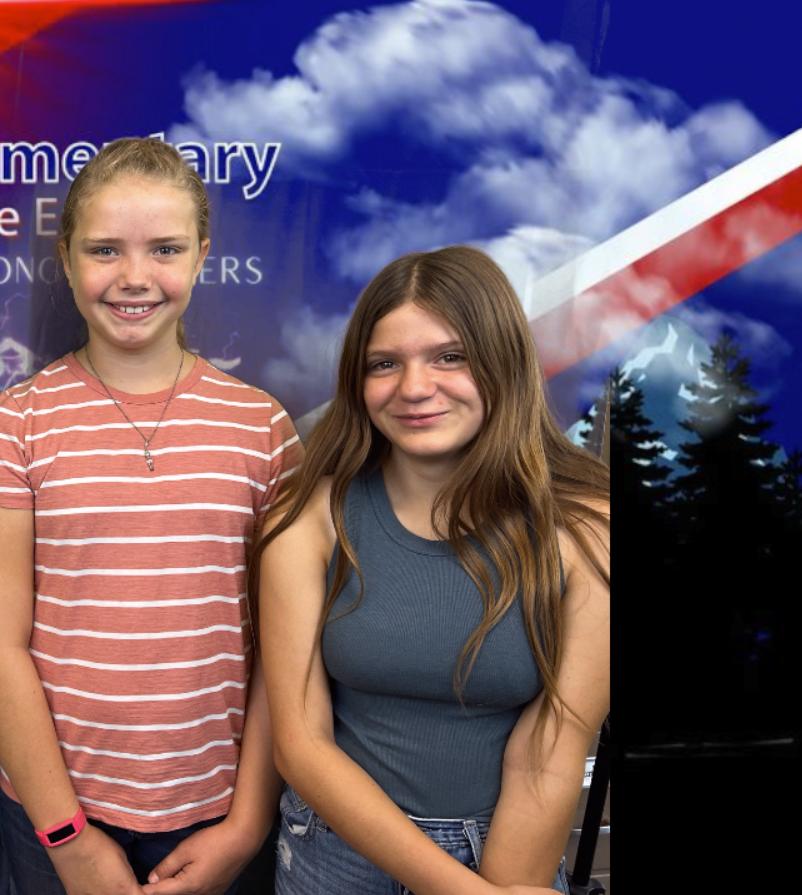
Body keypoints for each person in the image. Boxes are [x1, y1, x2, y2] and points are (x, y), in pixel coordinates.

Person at [0, 137, 303, 895]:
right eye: (106, 249)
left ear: (203, 254)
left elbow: (289, 649)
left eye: (165, 249)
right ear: (66, 254)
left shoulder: (263, 428)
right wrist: (69, 839)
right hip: (56, 818)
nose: (135, 277)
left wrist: (246, 823)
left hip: (217, 818)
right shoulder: (16, 425)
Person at [255, 246, 611, 895]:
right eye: (384, 364)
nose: (415, 387)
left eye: (451, 356)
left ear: (502, 361)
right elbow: (300, 744)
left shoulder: (589, 528)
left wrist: (498, 884)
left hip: (508, 849)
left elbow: (553, 750)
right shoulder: (311, 517)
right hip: (333, 850)